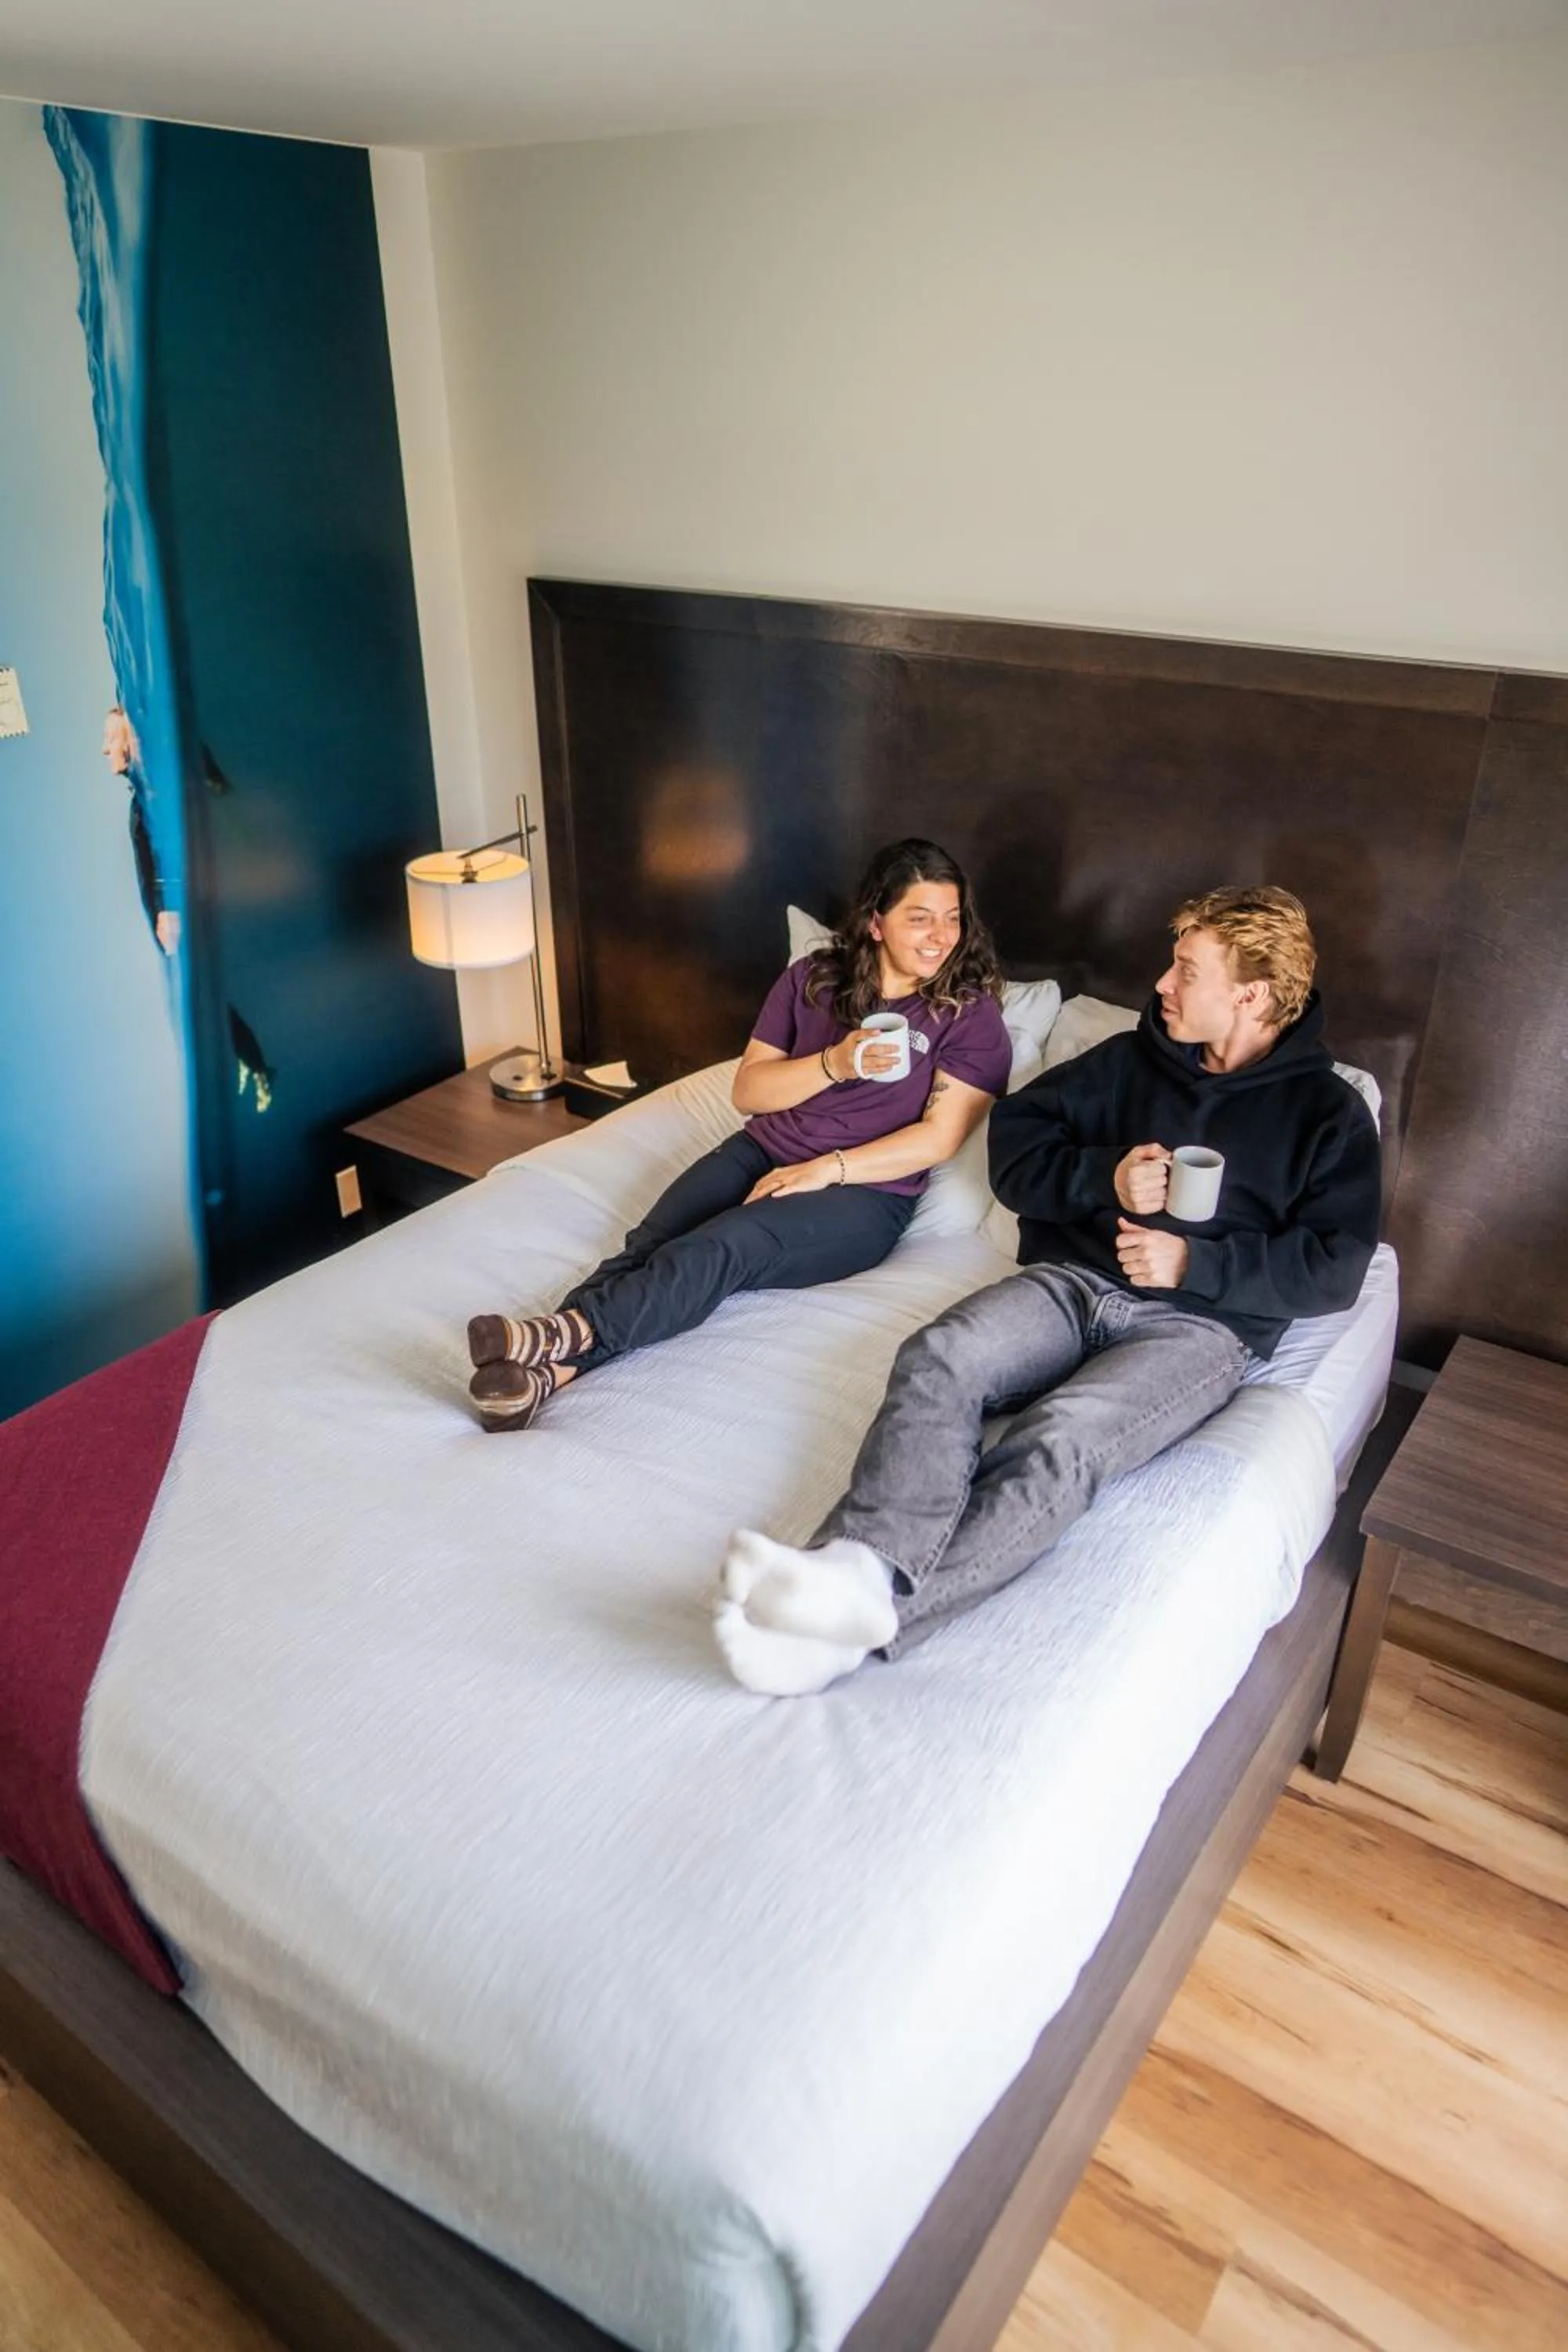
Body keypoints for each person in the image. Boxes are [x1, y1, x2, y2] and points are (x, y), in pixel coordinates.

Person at [717, 885, 1381, 1696]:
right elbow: (1017, 1146)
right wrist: (1105, 1178)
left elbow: (1335, 1268)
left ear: (1251, 995)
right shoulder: (1128, 1061)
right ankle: (856, 1567)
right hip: (1070, 1283)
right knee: (939, 1356)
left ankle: (869, 1625)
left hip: (1199, 1329)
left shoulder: (1331, 1115)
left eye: (1185, 970)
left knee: (1062, 1437)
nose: (1162, 984)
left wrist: (1194, 1267)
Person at [466, 839, 1013, 1430]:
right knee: (648, 1245)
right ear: (877, 923)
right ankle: (540, 1378)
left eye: (952, 918)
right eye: (920, 918)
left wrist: (825, 1169)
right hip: (763, 1147)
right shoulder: (813, 980)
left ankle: (552, 1336)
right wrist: (836, 1063)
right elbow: (749, 1092)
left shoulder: (968, 1014)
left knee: (720, 1246)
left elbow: (938, 1139)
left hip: (863, 1195)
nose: (941, 936)